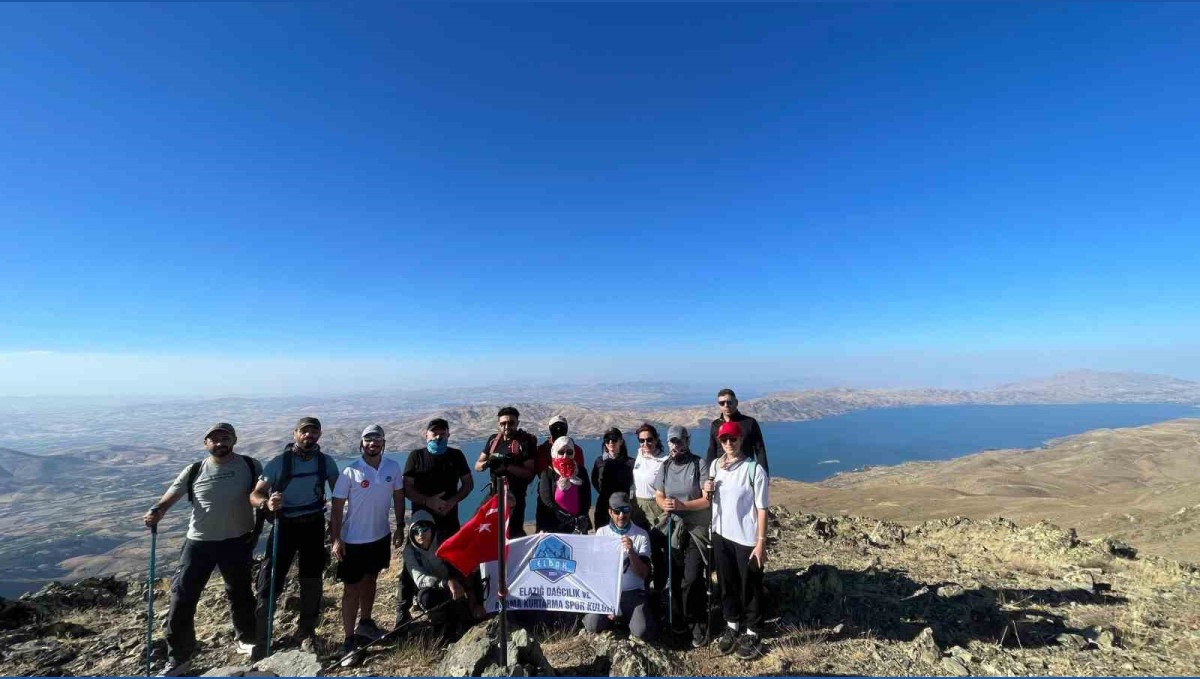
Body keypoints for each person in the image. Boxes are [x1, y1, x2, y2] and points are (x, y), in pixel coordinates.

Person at [143, 423, 261, 676]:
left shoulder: (250, 466)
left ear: (234, 440)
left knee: (240, 593)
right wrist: (157, 511)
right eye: (214, 439)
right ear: (206, 443)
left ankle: (246, 639)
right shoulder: (195, 470)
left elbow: (261, 494)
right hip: (199, 542)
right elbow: (171, 496)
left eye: (225, 438)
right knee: (182, 597)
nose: (220, 443)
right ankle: (179, 657)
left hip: (237, 540)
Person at [251, 416, 340, 655]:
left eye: (313, 432)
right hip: (284, 525)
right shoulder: (279, 463)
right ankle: (262, 638)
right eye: (304, 432)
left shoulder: (325, 462)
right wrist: (266, 504)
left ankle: (306, 632)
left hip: (313, 525)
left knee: (311, 580)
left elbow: (339, 492)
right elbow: (255, 494)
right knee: (270, 581)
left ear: (319, 435)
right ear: (295, 434)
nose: (308, 436)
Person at [329, 425, 405, 658]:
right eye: (368, 439)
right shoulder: (349, 472)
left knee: (371, 580)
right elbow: (337, 508)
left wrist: (400, 526)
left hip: (380, 536)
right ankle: (349, 639)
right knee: (351, 588)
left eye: (377, 439)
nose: (373, 443)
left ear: (383, 442)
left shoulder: (392, 467)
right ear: (361, 444)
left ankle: (366, 622)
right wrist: (336, 538)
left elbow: (399, 496)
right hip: (352, 541)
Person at [702, 421, 769, 659]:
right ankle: (732, 625)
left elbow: (762, 508)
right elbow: (708, 497)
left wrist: (761, 542)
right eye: (724, 440)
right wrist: (706, 489)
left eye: (733, 439)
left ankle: (753, 630)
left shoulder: (754, 470)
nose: (729, 443)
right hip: (720, 534)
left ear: (741, 440)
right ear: (719, 442)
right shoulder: (715, 466)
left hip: (746, 538)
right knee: (727, 581)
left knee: (749, 584)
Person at [400, 417, 473, 627]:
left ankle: (458, 604)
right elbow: (407, 487)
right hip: (422, 523)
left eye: (442, 433)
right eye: (434, 433)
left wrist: (452, 501)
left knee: (453, 560)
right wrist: (427, 501)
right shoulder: (416, 456)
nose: (438, 437)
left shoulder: (456, 455)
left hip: (449, 519)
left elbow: (468, 483)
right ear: (426, 435)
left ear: (448, 435)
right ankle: (402, 612)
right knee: (410, 566)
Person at [654, 425, 713, 646]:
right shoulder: (666, 466)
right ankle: (678, 622)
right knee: (676, 578)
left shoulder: (699, 464)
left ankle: (697, 622)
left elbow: (707, 499)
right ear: (668, 443)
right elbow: (659, 495)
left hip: (696, 531)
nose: (676, 445)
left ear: (687, 441)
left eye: (680, 441)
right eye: (672, 441)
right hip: (674, 530)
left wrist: (683, 505)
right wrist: (665, 504)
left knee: (693, 578)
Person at [583, 493, 657, 640]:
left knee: (641, 631)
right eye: (617, 511)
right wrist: (608, 600)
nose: (621, 515)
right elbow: (597, 570)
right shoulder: (601, 533)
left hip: (633, 592)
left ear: (631, 511)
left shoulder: (641, 535)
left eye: (625, 510)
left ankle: (631, 617)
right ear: (610, 512)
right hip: (608, 593)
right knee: (592, 625)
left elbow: (643, 573)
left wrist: (631, 552)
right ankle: (615, 618)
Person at [402, 510, 477, 640]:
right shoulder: (410, 552)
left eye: (424, 529)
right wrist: (444, 583)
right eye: (415, 531)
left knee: (467, 616)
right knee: (427, 597)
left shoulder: (444, 543)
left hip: (456, 586)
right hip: (435, 589)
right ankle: (439, 624)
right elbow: (419, 579)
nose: (420, 534)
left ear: (432, 528)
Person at [474, 406, 536, 537]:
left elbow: (529, 474)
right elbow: (478, 466)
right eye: (503, 423)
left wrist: (507, 465)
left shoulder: (524, 442)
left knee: (513, 533)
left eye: (511, 423)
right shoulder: (494, 440)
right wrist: (488, 463)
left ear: (517, 423)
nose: (507, 426)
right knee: (477, 526)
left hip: (515, 496)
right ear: (498, 424)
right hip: (494, 493)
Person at [630, 423, 669, 590]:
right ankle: (642, 588)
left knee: (658, 552)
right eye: (641, 441)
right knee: (640, 550)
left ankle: (659, 591)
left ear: (656, 439)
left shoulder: (664, 461)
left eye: (649, 440)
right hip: (638, 508)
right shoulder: (640, 455)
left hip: (656, 508)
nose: (645, 444)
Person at [534, 416, 586, 531]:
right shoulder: (543, 449)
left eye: (561, 427)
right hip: (548, 500)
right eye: (554, 427)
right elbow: (540, 472)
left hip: (573, 502)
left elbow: (581, 477)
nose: (558, 429)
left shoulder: (576, 449)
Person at [704, 388, 769, 478]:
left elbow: (760, 450)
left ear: (736, 403)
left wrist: (764, 475)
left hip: (744, 472)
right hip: (722, 472)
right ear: (719, 405)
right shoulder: (716, 425)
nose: (726, 405)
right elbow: (712, 450)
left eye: (729, 402)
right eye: (722, 403)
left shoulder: (750, 423)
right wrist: (709, 477)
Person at [591, 427, 633, 530]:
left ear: (621, 441)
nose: (610, 442)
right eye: (607, 440)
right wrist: (604, 493)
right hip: (603, 505)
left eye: (614, 439)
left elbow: (633, 483)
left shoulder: (630, 463)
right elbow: (594, 480)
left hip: (622, 508)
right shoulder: (599, 461)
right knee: (601, 536)